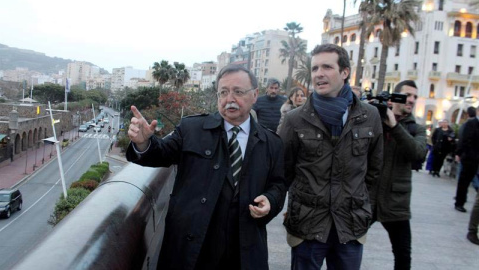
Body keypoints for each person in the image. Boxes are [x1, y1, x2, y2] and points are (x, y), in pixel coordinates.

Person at [126, 64, 287, 269]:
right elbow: (162, 153)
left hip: (244, 248)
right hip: (192, 246)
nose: (230, 99)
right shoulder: (191, 129)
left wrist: (271, 200)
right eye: (224, 92)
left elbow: (279, 185)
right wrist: (143, 143)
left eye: (238, 92)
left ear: (255, 95)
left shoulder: (271, 143)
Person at [278, 44, 383, 269]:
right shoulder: (295, 120)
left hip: (350, 227)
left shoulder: (370, 116)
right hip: (307, 227)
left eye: (327, 67)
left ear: (345, 72)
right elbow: (282, 171)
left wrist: (365, 212)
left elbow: (374, 171)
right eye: (315, 68)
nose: (319, 74)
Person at [375, 80, 428, 269]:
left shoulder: (417, 128)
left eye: (415, 96)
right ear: (395, 97)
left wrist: (395, 126)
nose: (412, 100)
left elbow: (418, 153)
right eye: (407, 95)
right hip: (367, 197)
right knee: (345, 247)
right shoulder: (375, 119)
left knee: (403, 253)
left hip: (397, 202)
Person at [454, 106, 479, 213]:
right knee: (464, 181)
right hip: (470, 157)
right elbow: (464, 139)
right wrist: (459, 153)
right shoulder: (471, 123)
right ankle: (459, 202)